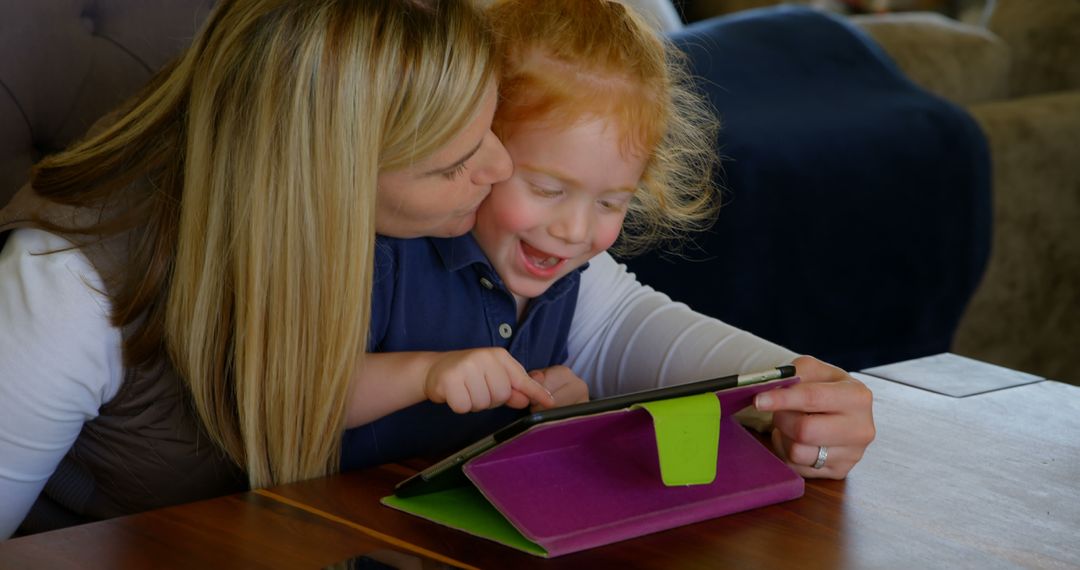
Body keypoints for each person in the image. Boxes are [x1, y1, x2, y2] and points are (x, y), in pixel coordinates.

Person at [0, 0, 873, 540]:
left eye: (491, 132)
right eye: (454, 163)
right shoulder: (62, 293)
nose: (495, 173)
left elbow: (624, 323)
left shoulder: (441, 228)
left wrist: (804, 389)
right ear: (331, 179)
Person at [340, 0, 722, 469]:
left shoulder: (561, 278)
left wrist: (562, 409)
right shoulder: (392, 254)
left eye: (610, 203)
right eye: (546, 189)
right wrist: (425, 374)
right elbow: (296, 397)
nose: (575, 231)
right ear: (477, 142)